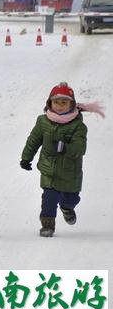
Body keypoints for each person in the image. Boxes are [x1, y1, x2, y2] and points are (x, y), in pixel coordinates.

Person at [20, 82, 104, 237]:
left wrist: (65, 147)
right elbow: (34, 140)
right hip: (49, 170)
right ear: (49, 103)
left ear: (71, 104)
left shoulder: (78, 126)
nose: (59, 106)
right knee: (48, 198)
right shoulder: (43, 121)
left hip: (70, 172)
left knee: (71, 199)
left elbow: (80, 148)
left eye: (64, 102)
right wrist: (26, 158)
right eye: (56, 102)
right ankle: (47, 226)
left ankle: (67, 207)